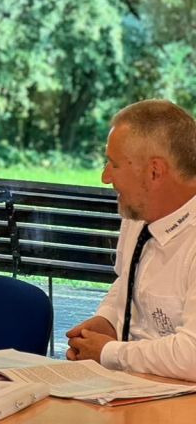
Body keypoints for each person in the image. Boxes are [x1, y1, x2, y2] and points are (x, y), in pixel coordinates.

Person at [66, 99, 196, 381]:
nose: (105, 177)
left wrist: (108, 351)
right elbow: (125, 283)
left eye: (114, 164)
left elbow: (192, 356)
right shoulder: (138, 214)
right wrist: (107, 321)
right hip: (132, 388)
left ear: (154, 171)